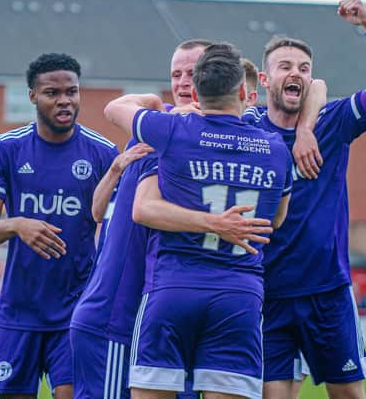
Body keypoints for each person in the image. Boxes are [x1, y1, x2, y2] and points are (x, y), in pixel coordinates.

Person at [104, 42, 293, 399]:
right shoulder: (276, 148)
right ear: (242, 91)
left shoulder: (173, 131)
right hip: (239, 295)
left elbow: (114, 108)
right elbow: (277, 219)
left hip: (172, 288)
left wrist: (159, 106)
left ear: (193, 91)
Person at [246, 0, 366, 399]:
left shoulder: (334, 122)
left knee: (350, 396)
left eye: (303, 68)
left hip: (327, 293)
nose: (295, 74)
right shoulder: (247, 129)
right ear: (265, 81)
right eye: (284, 66)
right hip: (268, 294)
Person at [0, 53, 118, 399]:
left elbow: (115, 234)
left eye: (72, 91)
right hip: (18, 312)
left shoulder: (103, 153)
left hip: (76, 311)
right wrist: (18, 224)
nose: (65, 100)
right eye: (53, 92)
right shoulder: (4, 150)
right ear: (33, 96)